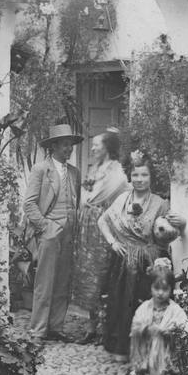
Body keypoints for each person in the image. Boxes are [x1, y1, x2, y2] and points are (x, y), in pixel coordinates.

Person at [97, 151, 185, 357]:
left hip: (149, 262)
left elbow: (171, 231)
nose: (139, 180)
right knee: (121, 303)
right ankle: (121, 348)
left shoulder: (160, 203)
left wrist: (182, 223)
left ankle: (146, 352)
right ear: (130, 176)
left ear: (151, 177)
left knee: (147, 305)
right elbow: (102, 220)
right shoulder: (122, 200)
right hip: (123, 263)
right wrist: (112, 242)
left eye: (144, 175)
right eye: (135, 175)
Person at [23, 123, 83, 342]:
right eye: (65, 145)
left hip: (69, 233)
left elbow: (75, 202)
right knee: (44, 282)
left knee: (62, 282)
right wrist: (45, 227)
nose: (69, 149)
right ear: (54, 146)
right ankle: (37, 330)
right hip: (50, 231)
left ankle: (56, 327)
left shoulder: (75, 172)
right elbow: (29, 205)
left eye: (71, 145)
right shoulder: (41, 169)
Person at [73, 130, 129, 345]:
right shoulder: (94, 169)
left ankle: (106, 328)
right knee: (86, 272)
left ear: (108, 147)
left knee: (102, 274)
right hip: (86, 227)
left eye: (97, 144)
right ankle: (91, 325)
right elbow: (85, 195)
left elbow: (121, 194)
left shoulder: (117, 172)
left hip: (102, 227)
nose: (93, 148)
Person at [128, 258, 188, 375]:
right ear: (151, 288)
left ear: (171, 290)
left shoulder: (176, 310)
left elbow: (184, 329)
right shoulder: (144, 308)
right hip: (148, 358)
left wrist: (169, 331)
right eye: (157, 288)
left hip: (167, 359)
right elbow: (135, 327)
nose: (161, 293)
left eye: (165, 289)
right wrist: (145, 328)